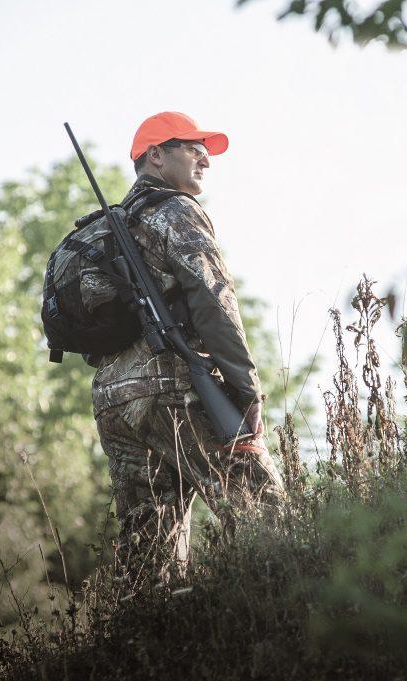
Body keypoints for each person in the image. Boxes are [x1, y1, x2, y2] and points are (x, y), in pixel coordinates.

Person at [82, 111, 284, 574]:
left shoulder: (103, 227)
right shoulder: (176, 210)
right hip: (177, 390)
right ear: (156, 155)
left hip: (113, 403)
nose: (205, 160)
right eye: (193, 148)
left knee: (151, 562)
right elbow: (213, 299)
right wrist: (246, 388)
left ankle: (151, 643)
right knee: (267, 520)